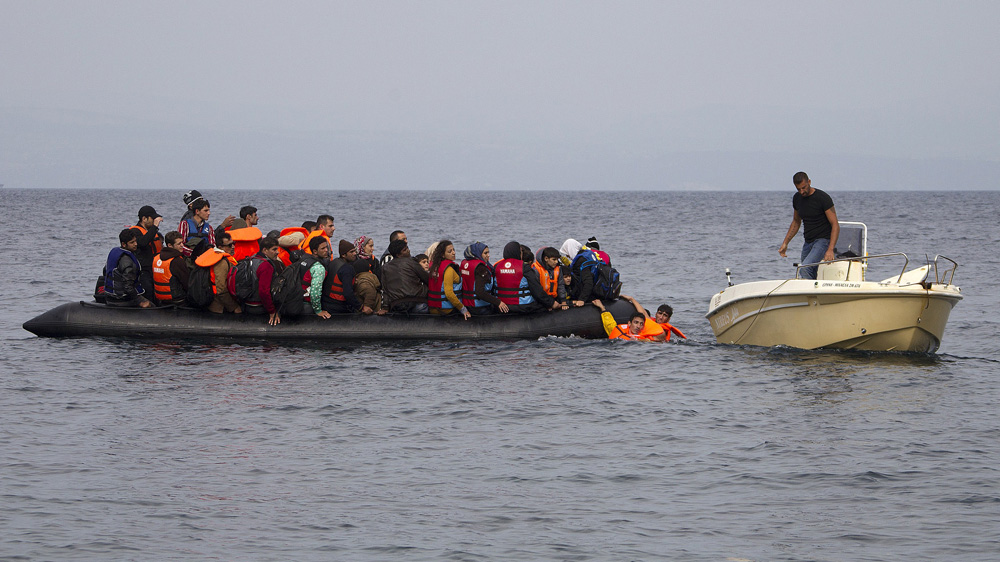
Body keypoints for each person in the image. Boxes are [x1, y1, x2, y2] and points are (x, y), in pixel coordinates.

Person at [778, 171, 840, 280]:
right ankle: (813, 291)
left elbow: (835, 224)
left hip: (823, 241)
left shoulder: (822, 198)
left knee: (804, 268)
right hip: (808, 242)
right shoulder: (797, 198)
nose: (802, 191)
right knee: (808, 272)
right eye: (798, 189)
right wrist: (785, 243)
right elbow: (796, 222)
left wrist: (830, 249)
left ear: (809, 182)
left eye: (804, 188)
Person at [103, 229, 154, 308]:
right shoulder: (127, 261)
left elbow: (105, 271)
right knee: (152, 305)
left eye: (135, 241)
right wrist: (140, 301)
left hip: (109, 296)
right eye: (132, 242)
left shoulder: (115, 252)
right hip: (121, 299)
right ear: (124, 244)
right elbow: (128, 287)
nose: (136, 244)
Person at [194, 233, 241, 314]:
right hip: (219, 306)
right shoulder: (221, 262)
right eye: (229, 245)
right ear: (220, 247)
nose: (233, 247)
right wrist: (234, 307)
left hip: (215, 302)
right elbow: (221, 289)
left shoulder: (214, 255)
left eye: (233, 243)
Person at [242, 236, 284, 325]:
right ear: (265, 250)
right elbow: (264, 292)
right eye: (274, 249)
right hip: (258, 306)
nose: (277, 252)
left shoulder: (253, 259)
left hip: (247, 303)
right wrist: (272, 311)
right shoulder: (266, 266)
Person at [323, 240, 371, 314]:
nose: (355, 253)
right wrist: (361, 307)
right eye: (351, 252)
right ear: (343, 255)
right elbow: (348, 293)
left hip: (326, 303)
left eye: (355, 251)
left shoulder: (333, 262)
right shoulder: (347, 269)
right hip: (339, 307)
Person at [381, 239, 429, 313]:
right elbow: (428, 279)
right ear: (398, 255)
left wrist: (385, 307)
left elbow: (385, 290)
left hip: (396, 306)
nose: (408, 251)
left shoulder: (385, 267)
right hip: (417, 303)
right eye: (405, 250)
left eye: (407, 248)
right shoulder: (412, 262)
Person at [460, 242, 507, 315]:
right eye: (485, 253)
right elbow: (480, 292)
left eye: (488, 252)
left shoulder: (465, 264)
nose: (488, 255)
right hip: (479, 308)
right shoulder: (481, 268)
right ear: (478, 253)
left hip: (466, 305)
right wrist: (498, 302)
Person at [427, 240, 470, 319]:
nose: (454, 253)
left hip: (432, 308)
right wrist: (463, 309)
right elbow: (449, 293)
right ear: (443, 255)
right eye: (450, 251)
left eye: (454, 250)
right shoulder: (448, 270)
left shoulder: (433, 267)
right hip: (446, 309)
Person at [593, 295, 665, 341]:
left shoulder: (646, 339)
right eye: (636, 322)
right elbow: (609, 323)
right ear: (629, 323)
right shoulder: (619, 332)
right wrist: (602, 308)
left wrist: (639, 340)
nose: (638, 326)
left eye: (641, 324)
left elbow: (660, 336)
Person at [130, 205, 164, 297]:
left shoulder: (152, 232)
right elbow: (142, 242)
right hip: (143, 271)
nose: (154, 221)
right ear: (144, 219)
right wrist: (155, 226)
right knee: (148, 292)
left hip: (155, 269)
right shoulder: (134, 231)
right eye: (152, 219)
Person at [151, 231, 191, 306]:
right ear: (170, 245)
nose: (182, 245)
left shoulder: (156, 258)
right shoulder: (177, 260)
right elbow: (186, 282)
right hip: (177, 299)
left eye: (182, 242)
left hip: (160, 298)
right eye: (179, 244)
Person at [298, 237, 331, 319]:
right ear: (315, 251)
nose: (326, 250)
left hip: (298, 299)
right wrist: (318, 310)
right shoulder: (319, 268)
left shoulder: (304, 259)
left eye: (327, 247)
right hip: (307, 305)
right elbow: (315, 291)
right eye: (323, 248)